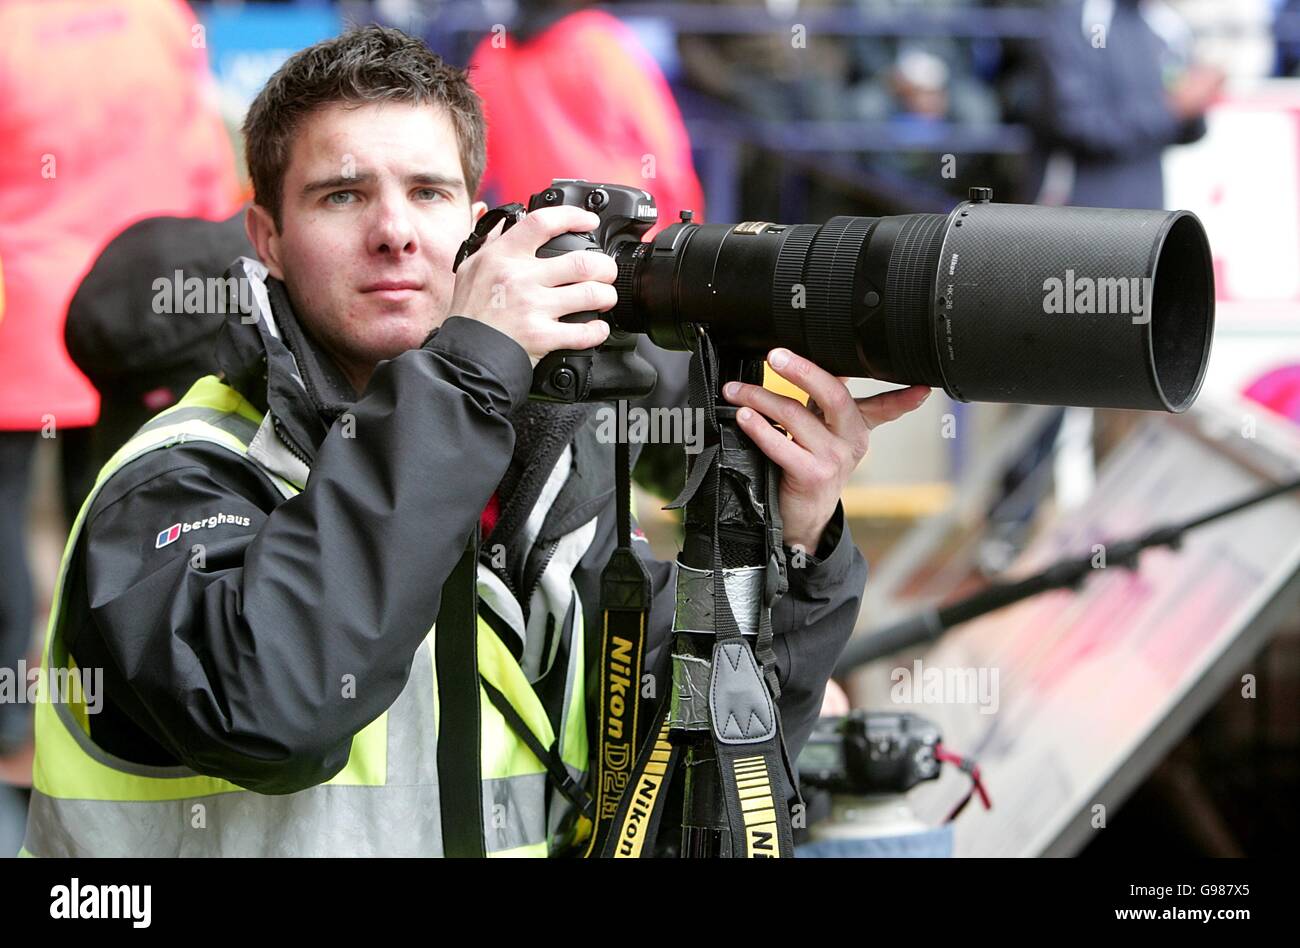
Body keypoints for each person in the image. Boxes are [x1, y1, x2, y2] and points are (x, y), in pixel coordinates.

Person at [21, 26, 929, 857]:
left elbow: (694, 800)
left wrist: (794, 547)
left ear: (473, 223)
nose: (394, 232)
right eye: (342, 195)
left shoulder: (538, 479)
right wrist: (471, 369)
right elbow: (272, 704)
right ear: (268, 238)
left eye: (428, 191)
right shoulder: (173, 480)